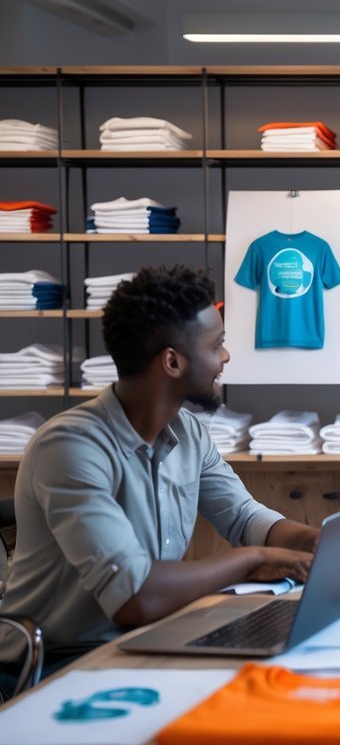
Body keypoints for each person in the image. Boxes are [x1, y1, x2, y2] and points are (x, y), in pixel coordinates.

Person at [0, 265, 318, 692]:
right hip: (57, 666)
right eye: (217, 345)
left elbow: (243, 518)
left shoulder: (187, 432)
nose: (225, 357)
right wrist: (254, 560)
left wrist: (315, 541)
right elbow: (136, 597)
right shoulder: (69, 447)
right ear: (172, 362)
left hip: (147, 642)